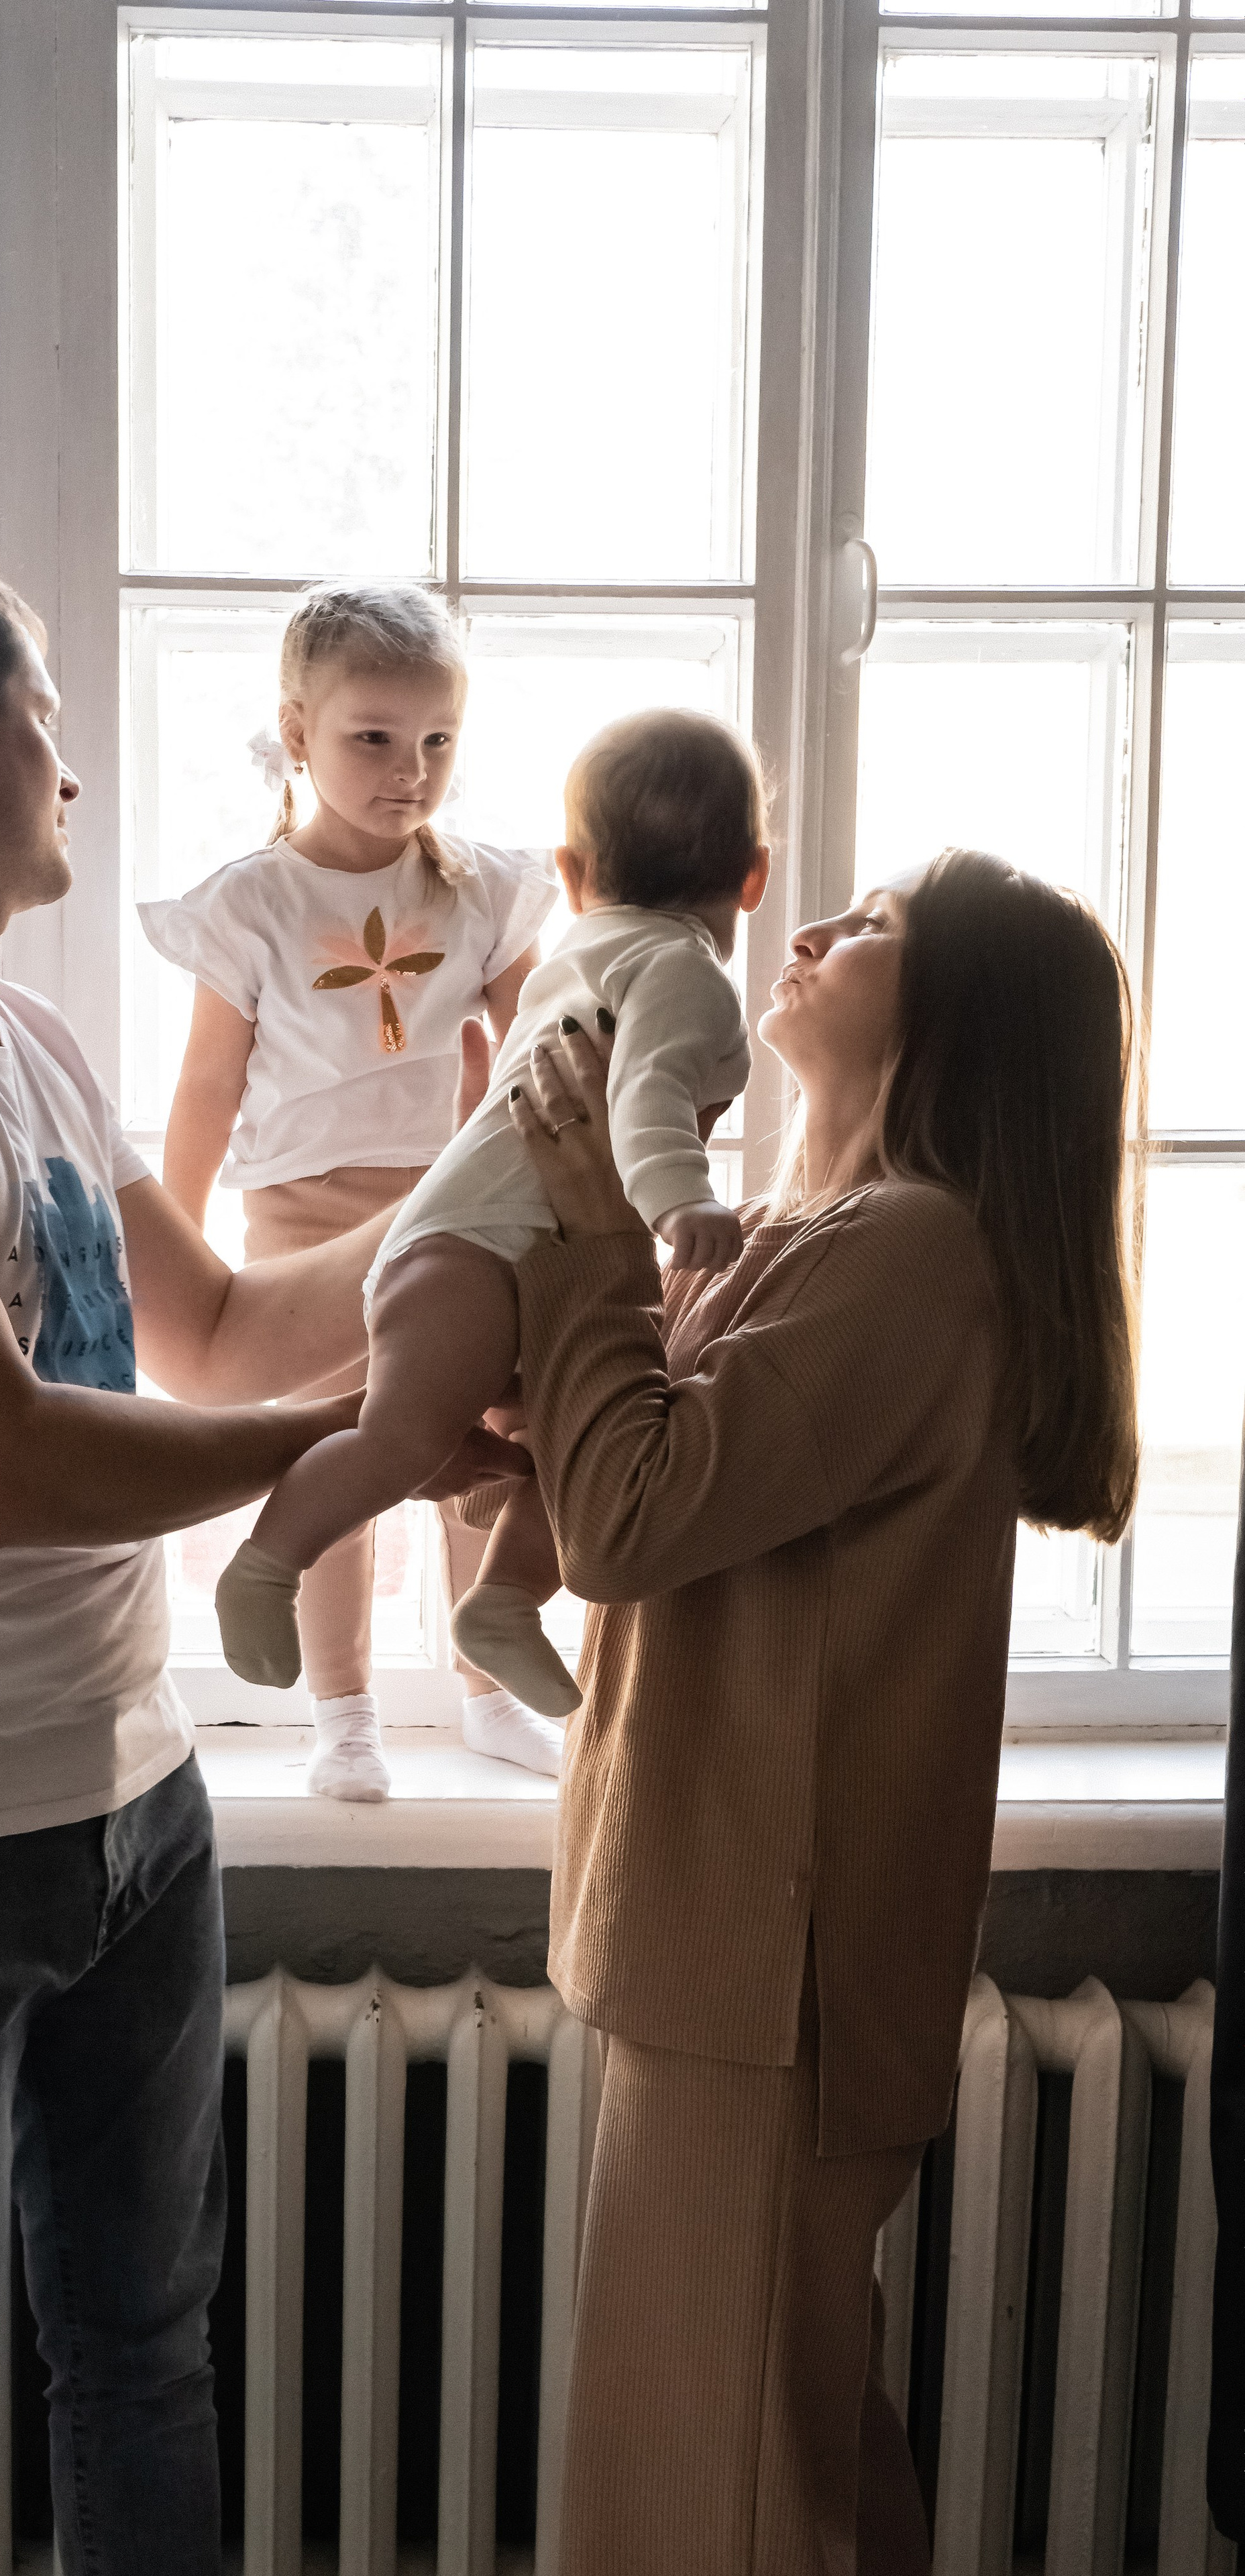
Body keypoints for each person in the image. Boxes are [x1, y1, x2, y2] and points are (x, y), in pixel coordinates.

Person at [0, 540, 519, 2576]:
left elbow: (206, 1324)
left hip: (130, 1801)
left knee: (143, 2357)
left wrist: (479, 1197)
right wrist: (363, 1445)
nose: (73, 770)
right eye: (48, 716)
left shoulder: (27, 1039)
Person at [500, 850, 1138, 2572]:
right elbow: (622, 1487)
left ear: (955, 1022)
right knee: (779, 2458)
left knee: (709, 2496)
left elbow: (625, 1522)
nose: (808, 935)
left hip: (760, 1967)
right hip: (731, 1951)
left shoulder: (908, 1255)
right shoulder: (807, 1239)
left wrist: (585, 1238)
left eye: (872, 930)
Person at [215, 708, 766, 1722]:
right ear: (754, 877)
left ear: (572, 875)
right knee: (401, 1440)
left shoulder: (584, 957)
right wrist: (680, 1197)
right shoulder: (682, 970)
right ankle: (266, 1563)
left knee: (577, 1441)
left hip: (505, 1258)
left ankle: (503, 1603)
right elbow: (643, 1094)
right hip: (475, 1254)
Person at [140, 581, 559, 1799]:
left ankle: (487, 1691)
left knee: (482, 1435)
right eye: (372, 737)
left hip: (458, 1208)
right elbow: (207, 1087)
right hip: (302, 1212)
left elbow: (538, 1046)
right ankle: (344, 1709)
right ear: (297, 731)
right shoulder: (252, 905)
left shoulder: (482, 892)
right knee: (336, 1446)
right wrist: (178, 1245)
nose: (408, 771)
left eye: (437, 741)